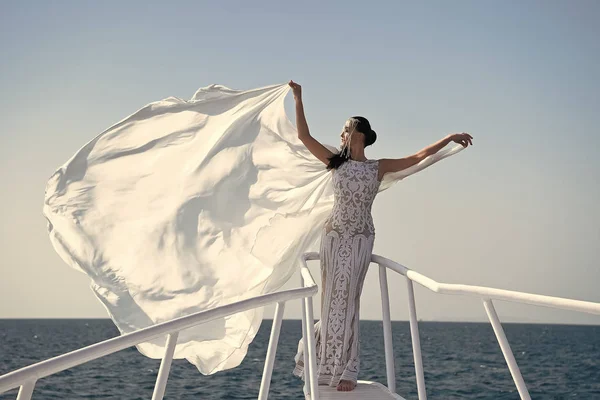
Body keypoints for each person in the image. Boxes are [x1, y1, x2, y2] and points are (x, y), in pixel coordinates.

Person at [289, 80, 473, 392]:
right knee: (330, 302)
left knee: (350, 302)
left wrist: (450, 137)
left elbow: (419, 156)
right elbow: (303, 136)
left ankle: (348, 369)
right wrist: (298, 98)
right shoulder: (335, 162)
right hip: (334, 238)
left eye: (345, 131)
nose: (341, 136)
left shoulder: (379, 167)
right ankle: (321, 363)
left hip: (361, 239)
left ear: (357, 133)